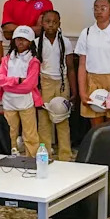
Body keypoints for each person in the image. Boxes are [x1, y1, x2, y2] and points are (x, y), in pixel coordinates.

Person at [36, 9, 75, 161]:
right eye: (47, 22)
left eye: (54, 22)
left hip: (62, 83)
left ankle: (65, 155)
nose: (51, 25)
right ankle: (44, 155)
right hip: (44, 82)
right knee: (44, 120)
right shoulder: (36, 43)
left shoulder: (65, 42)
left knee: (62, 119)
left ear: (59, 24)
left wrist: (74, 90)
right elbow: (34, 68)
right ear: (42, 23)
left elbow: (70, 68)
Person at [0, 26, 41, 157]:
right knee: (10, 131)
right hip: (9, 101)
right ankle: (10, 155)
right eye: (18, 39)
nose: (21, 42)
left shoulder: (33, 61)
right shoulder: (7, 59)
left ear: (30, 42)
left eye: (24, 39)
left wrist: (9, 84)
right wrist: (17, 80)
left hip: (26, 102)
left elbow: (29, 86)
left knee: (30, 133)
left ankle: (32, 157)